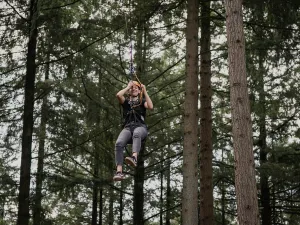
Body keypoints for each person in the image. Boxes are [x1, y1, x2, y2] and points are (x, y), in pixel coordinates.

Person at [113, 80, 153, 181]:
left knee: (137, 133)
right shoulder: (126, 103)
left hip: (140, 127)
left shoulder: (142, 102)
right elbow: (118, 95)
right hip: (128, 128)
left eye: (136, 88)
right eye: (132, 88)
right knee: (119, 143)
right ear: (129, 91)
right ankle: (119, 172)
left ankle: (134, 157)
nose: (134, 89)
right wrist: (128, 87)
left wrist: (145, 92)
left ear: (139, 91)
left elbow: (151, 106)